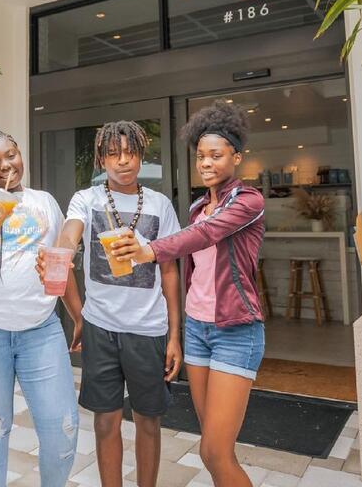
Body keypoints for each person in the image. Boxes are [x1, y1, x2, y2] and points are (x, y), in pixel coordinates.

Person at [114, 101, 265, 487]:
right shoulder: (199, 207)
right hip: (199, 330)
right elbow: (192, 265)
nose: (206, 163)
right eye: (201, 156)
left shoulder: (248, 202)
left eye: (216, 155)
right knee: (211, 451)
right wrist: (178, 333)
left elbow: (203, 236)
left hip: (235, 331)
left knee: (215, 451)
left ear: (237, 157)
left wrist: (148, 250)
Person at [39, 121, 183, 487]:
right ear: (102, 158)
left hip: (148, 329)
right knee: (106, 421)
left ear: (141, 156)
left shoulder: (159, 204)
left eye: (131, 153)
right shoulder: (86, 199)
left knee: (149, 420)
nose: (124, 161)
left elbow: (169, 272)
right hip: (101, 327)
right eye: (114, 154)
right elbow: (71, 232)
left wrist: (174, 336)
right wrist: (62, 253)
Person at [0, 131, 82, 487]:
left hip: (39, 330)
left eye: (10, 155)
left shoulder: (45, 202)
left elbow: (60, 263)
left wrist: (78, 315)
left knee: (63, 428)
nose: (5, 165)